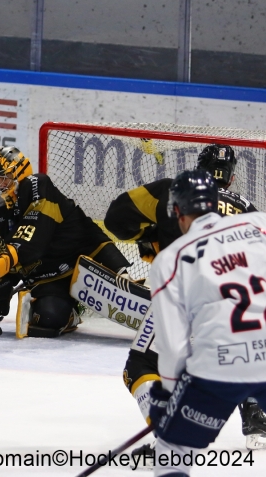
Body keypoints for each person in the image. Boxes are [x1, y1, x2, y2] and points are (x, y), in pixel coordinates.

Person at [105, 144, 266, 452]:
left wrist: (152, 236)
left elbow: (116, 219)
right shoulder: (250, 211)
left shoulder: (169, 193)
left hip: (192, 298)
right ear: (231, 180)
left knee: (139, 363)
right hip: (251, 305)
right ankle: (256, 415)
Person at [146, 170, 266, 476]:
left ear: (177, 212)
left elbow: (173, 347)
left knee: (172, 447)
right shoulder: (260, 224)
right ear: (215, 202)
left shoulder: (170, 260)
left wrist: (170, 397)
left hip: (220, 366)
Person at [0, 146, 129, 338]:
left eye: (4, 177)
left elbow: (33, 237)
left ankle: (124, 277)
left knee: (123, 283)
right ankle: (72, 313)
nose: (0, 184)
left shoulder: (38, 186)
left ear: (19, 172)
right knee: (48, 321)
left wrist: (8, 258)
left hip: (84, 259)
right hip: (49, 275)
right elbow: (3, 248)